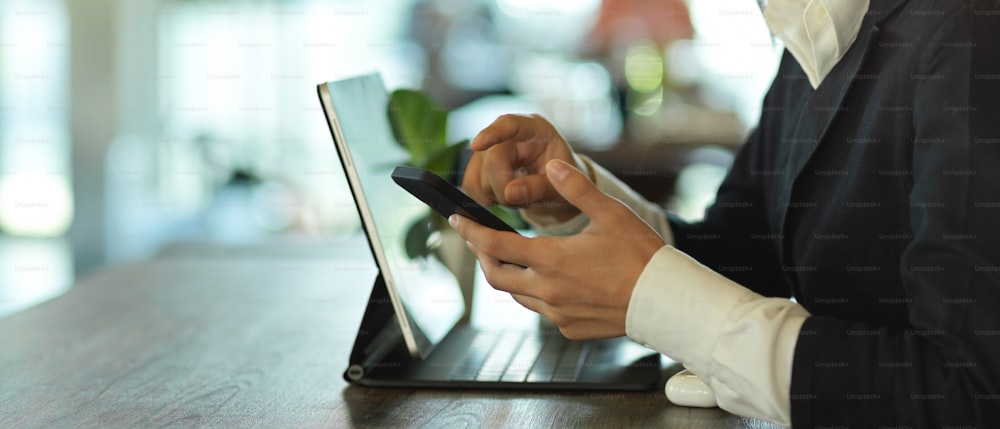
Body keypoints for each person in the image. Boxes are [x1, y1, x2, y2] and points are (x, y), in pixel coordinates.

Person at [449, 0, 1000, 427]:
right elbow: (742, 249)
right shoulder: (810, 31)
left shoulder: (967, 30)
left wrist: (657, 300)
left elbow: (967, 391)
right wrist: (575, 201)